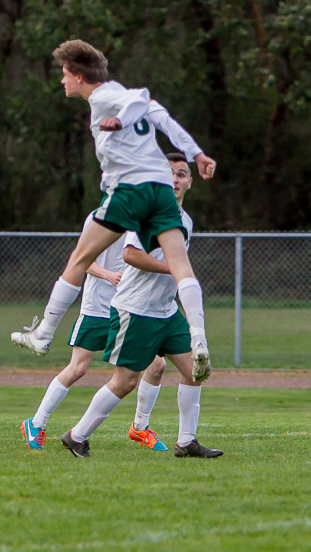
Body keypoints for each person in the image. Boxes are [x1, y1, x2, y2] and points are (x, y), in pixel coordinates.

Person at [10, 39, 217, 384]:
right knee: (181, 266)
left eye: (64, 74)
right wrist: (196, 154)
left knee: (79, 258)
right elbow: (159, 114)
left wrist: (119, 121)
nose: (62, 82)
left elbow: (139, 99)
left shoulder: (105, 96)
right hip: (159, 192)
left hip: (131, 190)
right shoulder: (113, 94)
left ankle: (43, 334)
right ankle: (198, 337)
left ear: (78, 76)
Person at [60, 152, 223, 459]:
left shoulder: (185, 220)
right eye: (169, 174)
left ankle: (186, 441)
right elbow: (131, 255)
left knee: (196, 372)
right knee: (125, 382)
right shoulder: (146, 214)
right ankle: (76, 435)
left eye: (180, 174)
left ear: (190, 182)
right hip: (135, 310)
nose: (174, 179)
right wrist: (174, 270)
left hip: (166, 310)